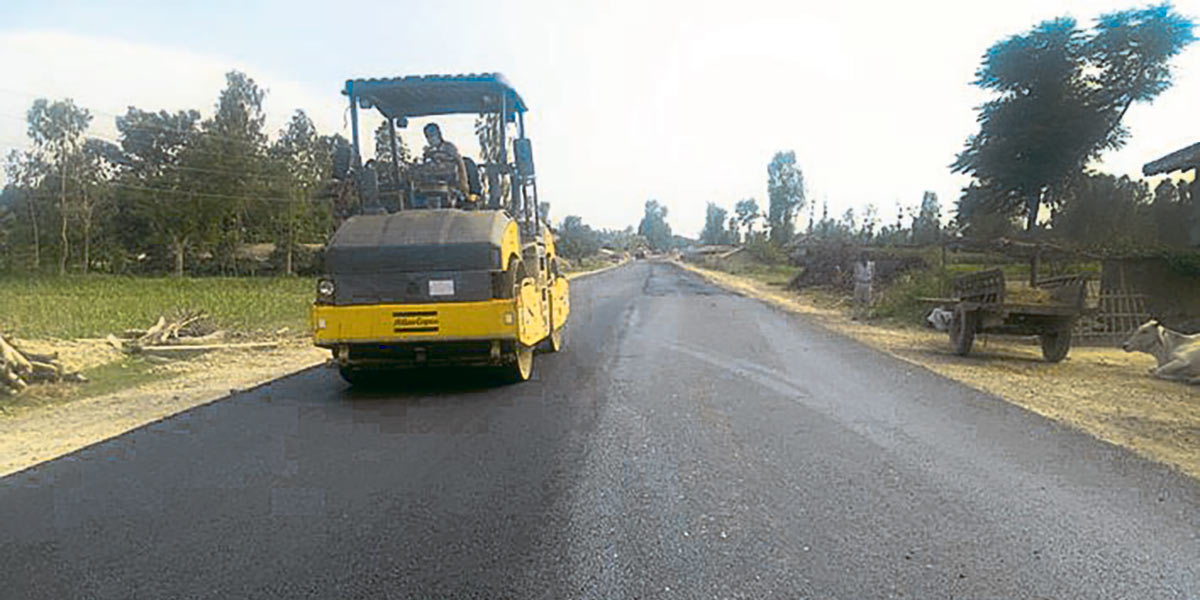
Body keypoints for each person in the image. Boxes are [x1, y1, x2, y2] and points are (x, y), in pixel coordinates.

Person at [852, 251, 875, 321]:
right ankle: (856, 315)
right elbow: (855, 274)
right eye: (863, 256)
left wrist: (871, 282)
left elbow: (873, 274)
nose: (864, 258)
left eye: (866, 256)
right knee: (857, 300)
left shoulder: (871, 265)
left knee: (867, 300)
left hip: (867, 283)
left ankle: (866, 315)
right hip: (859, 283)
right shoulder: (857, 265)